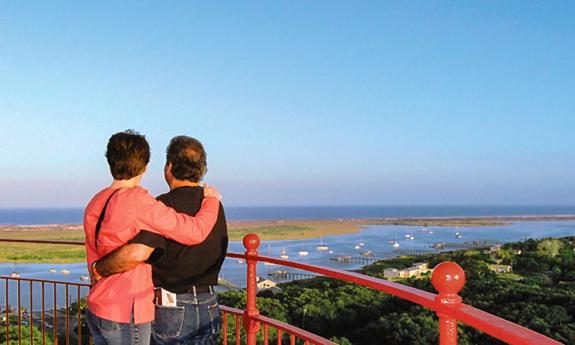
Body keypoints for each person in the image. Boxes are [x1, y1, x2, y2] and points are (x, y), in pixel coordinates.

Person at [84, 130, 222, 345]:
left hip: (98, 305)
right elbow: (194, 231)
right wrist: (212, 200)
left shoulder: (96, 201)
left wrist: (96, 270)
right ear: (146, 166)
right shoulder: (140, 202)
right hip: (126, 309)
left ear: (110, 161)